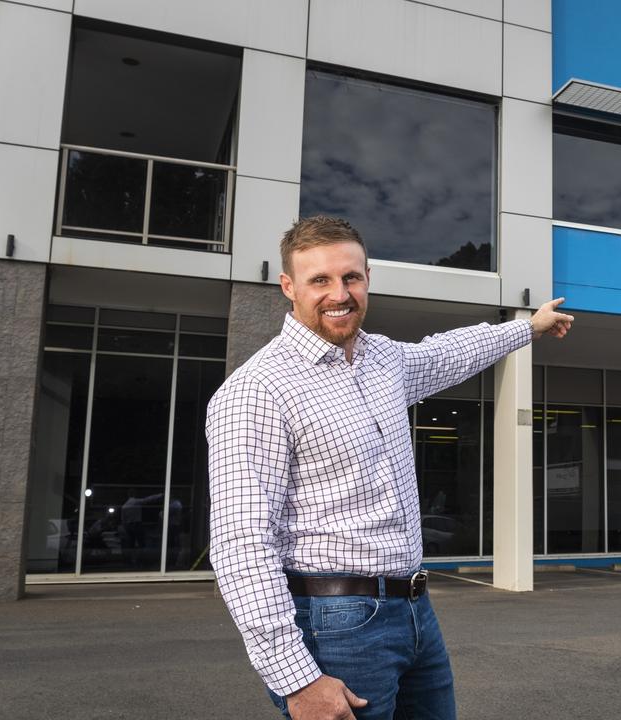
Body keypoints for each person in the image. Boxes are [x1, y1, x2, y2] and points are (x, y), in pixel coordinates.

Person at [206, 215, 573, 720]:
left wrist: (527, 327)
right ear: (288, 287)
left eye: (351, 277)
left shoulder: (384, 360)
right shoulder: (257, 391)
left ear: (367, 279)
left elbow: (450, 352)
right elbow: (241, 543)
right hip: (335, 622)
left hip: (415, 610)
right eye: (320, 280)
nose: (340, 293)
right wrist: (296, 679)